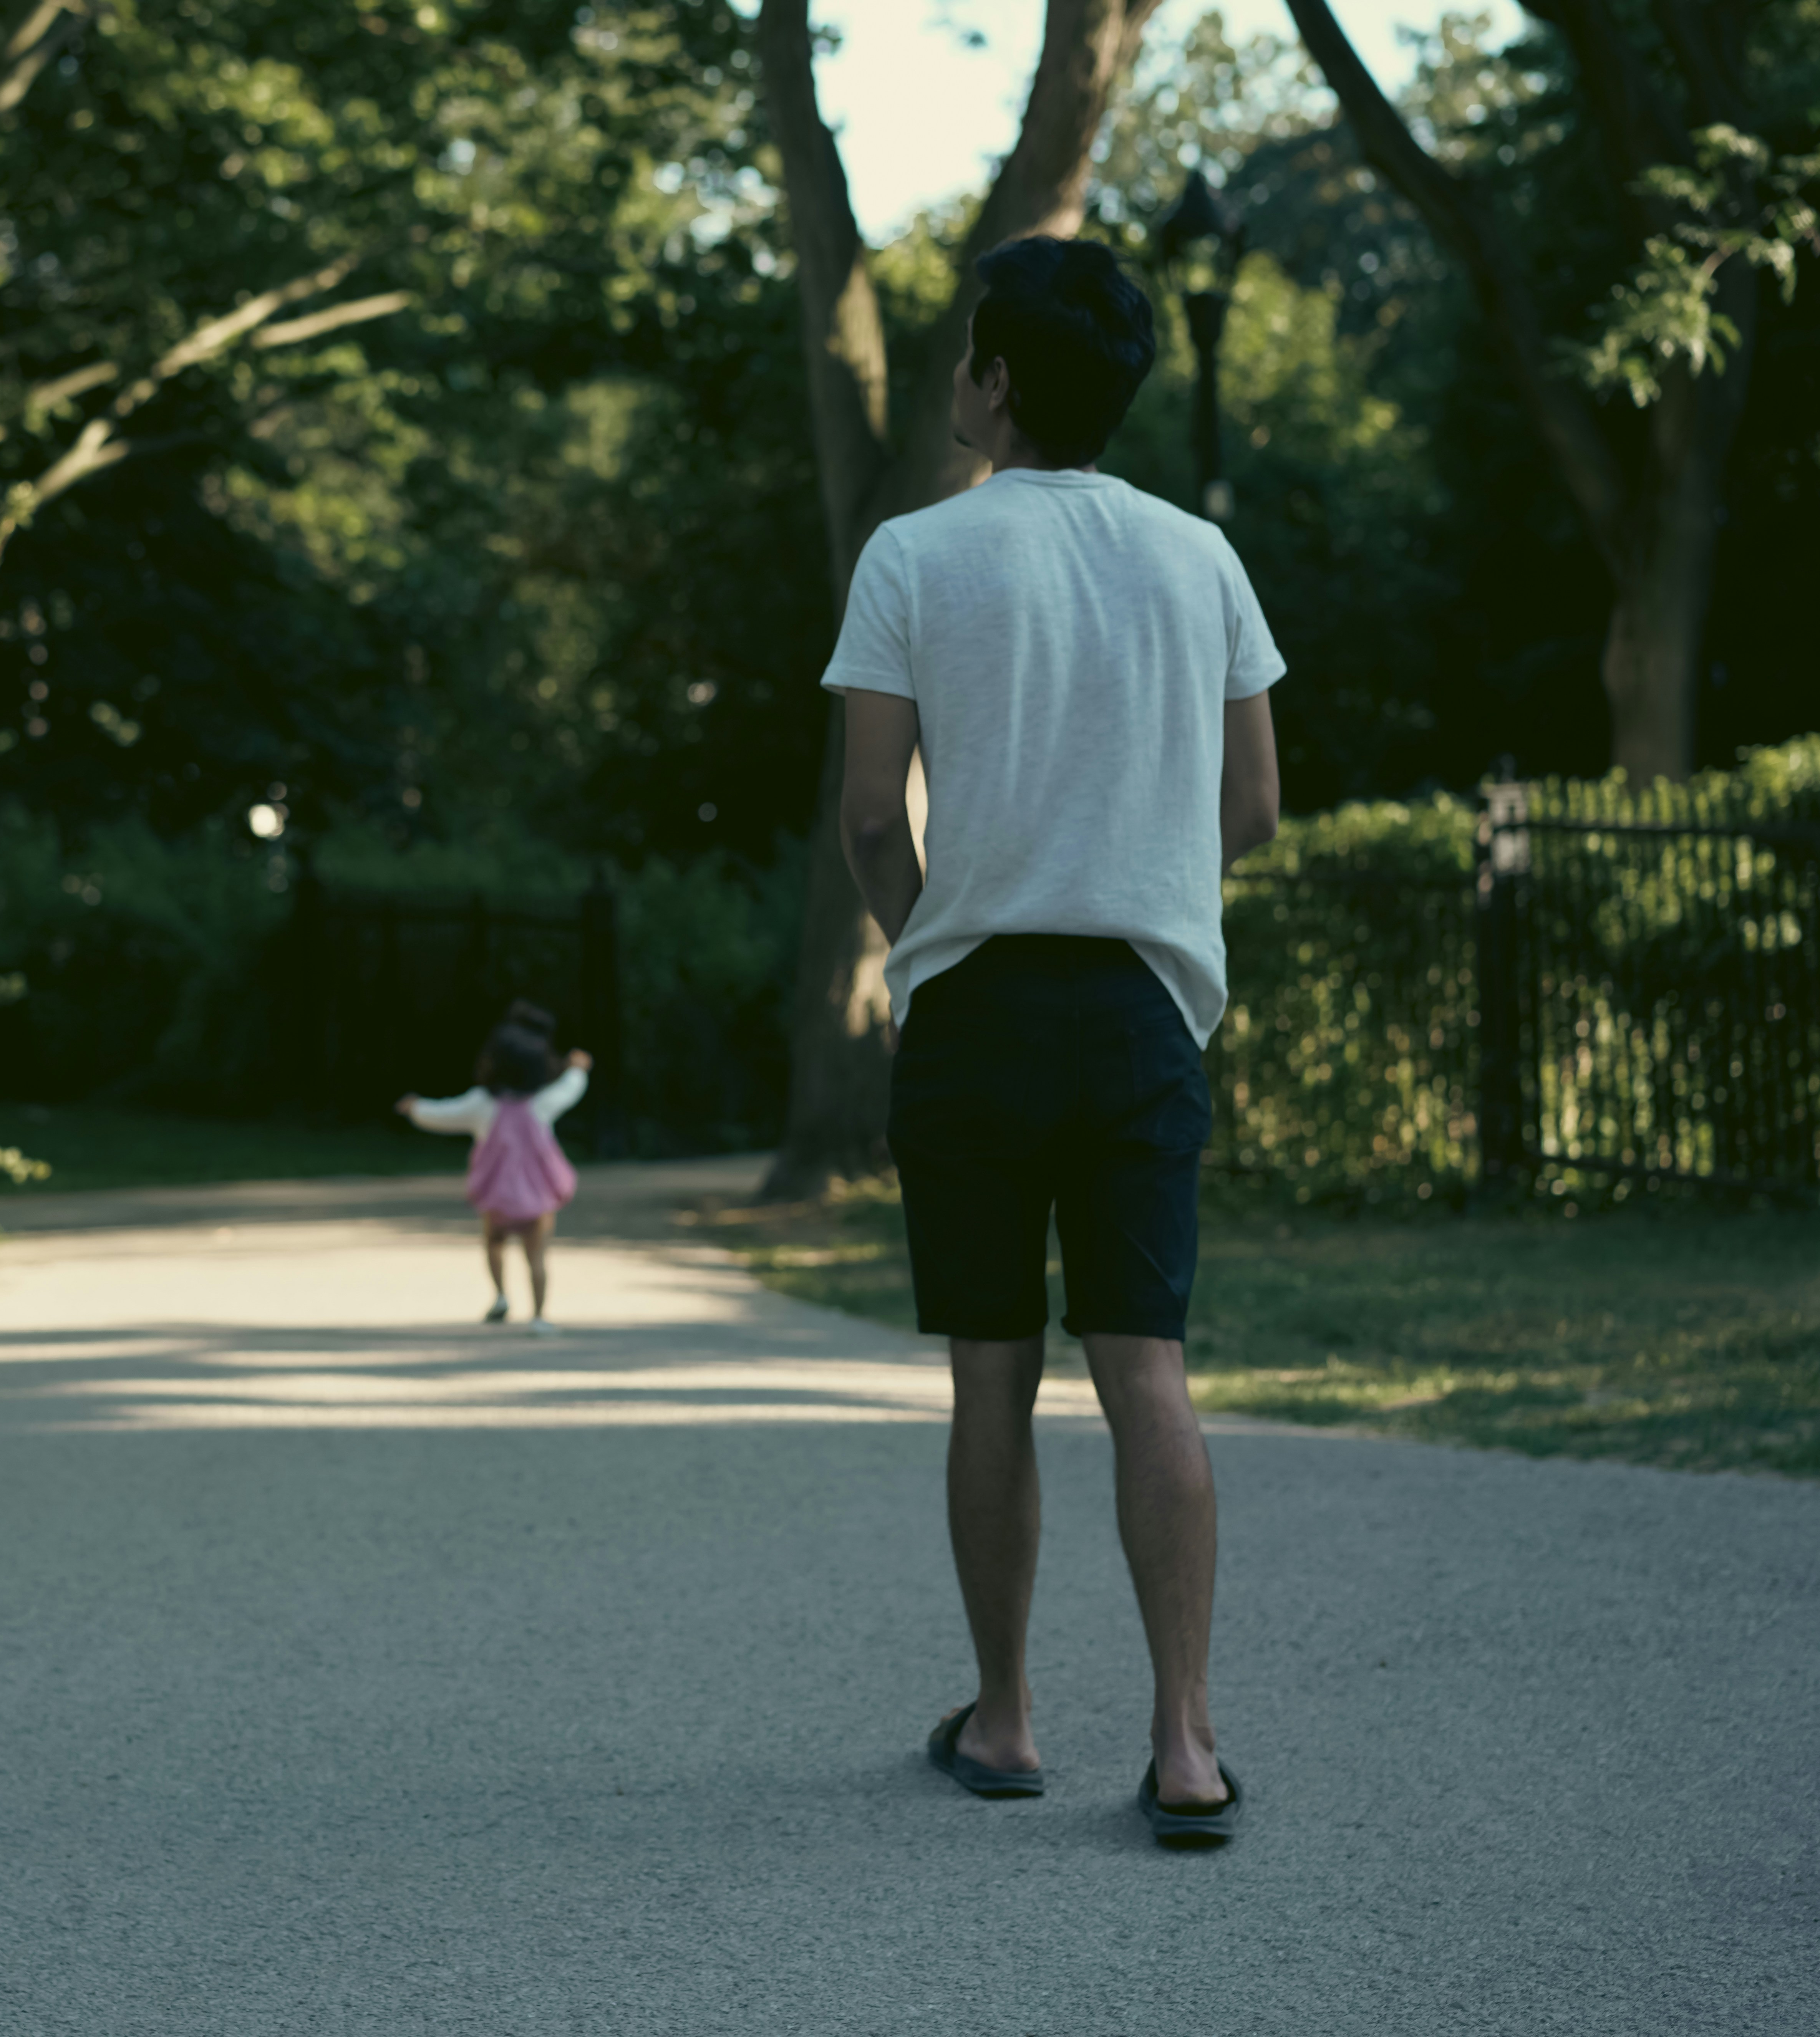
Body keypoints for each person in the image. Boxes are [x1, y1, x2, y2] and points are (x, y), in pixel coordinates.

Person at [821, 236, 1285, 1848]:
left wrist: (922, 939)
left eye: (964, 354)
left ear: (996, 379)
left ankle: (1005, 1718)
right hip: (1139, 1008)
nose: (955, 375)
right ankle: (1180, 1745)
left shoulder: (910, 558)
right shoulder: (1198, 560)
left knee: (989, 1377)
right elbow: (1253, 810)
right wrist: (1145, 896)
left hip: (973, 1008)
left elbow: (870, 816)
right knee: (1144, 1365)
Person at [397, 1002, 594, 1335]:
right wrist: (578, 1068)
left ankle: (501, 1295)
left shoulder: (483, 1104)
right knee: (537, 1257)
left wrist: (416, 1108)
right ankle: (539, 1316)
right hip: (537, 1196)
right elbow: (570, 1089)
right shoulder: (541, 1103)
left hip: (497, 1195)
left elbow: (445, 1114)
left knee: (494, 1243)